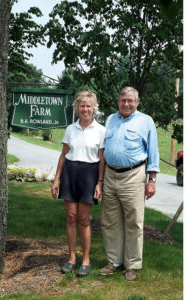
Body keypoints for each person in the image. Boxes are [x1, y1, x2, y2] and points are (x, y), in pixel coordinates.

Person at [100, 86, 159, 281]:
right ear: (118, 101)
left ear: (137, 102)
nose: (126, 104)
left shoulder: (146, 121)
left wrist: (151, 180)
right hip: (110, 175)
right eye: (123, 100)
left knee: (134, 222)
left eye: (130, 101)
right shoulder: (110, 119)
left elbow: (153, 152)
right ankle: (114, 261)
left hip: (133, 176)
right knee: (110, 221)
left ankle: (132, 265)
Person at [51, 90, 106, 277]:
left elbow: (102, 160)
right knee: (71, 217)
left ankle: (86, 260)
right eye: (82, 106)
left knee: (84, 220)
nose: (85, 109)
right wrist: (56, 179)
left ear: (94, 108)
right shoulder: (70, 129)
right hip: (70, 174)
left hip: (89, 175)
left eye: (88, 106)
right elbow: (63, 155)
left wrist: (100, 182)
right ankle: (71, 258)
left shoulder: (101, 130)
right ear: (78, 108)